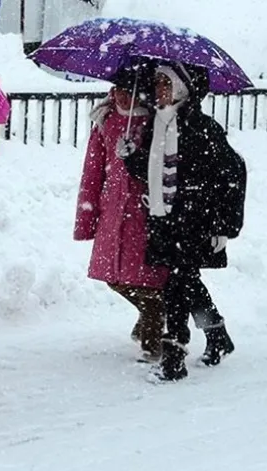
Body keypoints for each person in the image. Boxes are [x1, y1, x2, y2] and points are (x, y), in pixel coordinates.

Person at [120, 63, 246, 382]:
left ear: (181, 88)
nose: (159, 88)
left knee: (176, 284)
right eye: (157, 82)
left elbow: (232, 173)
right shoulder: (157, 125)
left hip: (195, 219)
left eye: (165, 83)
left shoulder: (202, 127)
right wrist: (130, 156)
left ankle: (174, 356)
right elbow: (151, 172)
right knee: (185, 280)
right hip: (164, 218)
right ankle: (216, 333)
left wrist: (224, 226)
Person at [74, 63, 168, 362]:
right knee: (112, 276)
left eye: (128, 92)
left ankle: (152, 338)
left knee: (145, 276)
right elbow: (91, 173)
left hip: (145, 212)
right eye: (116, 90)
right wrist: (86, 219)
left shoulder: (158, 122)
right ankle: (153, 311)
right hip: (112, 211)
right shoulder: (105, 121)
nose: (121, 97)